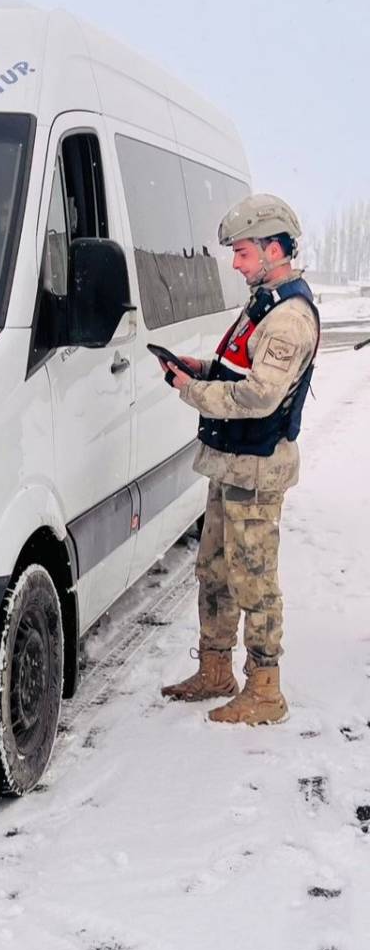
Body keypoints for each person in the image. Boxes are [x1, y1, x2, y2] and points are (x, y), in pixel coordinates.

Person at [158, 194, 319, 726]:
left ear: (275, 249)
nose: (237, 263)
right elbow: (235, 368)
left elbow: (257, 398)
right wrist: (198, 367)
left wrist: (189, 391)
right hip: (230, 463)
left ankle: (266, 692)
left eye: (245, 253)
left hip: (256, 470)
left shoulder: (290, 319)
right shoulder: (263, 303)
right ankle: (216, 671)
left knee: (254, 581)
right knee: (215, 573)